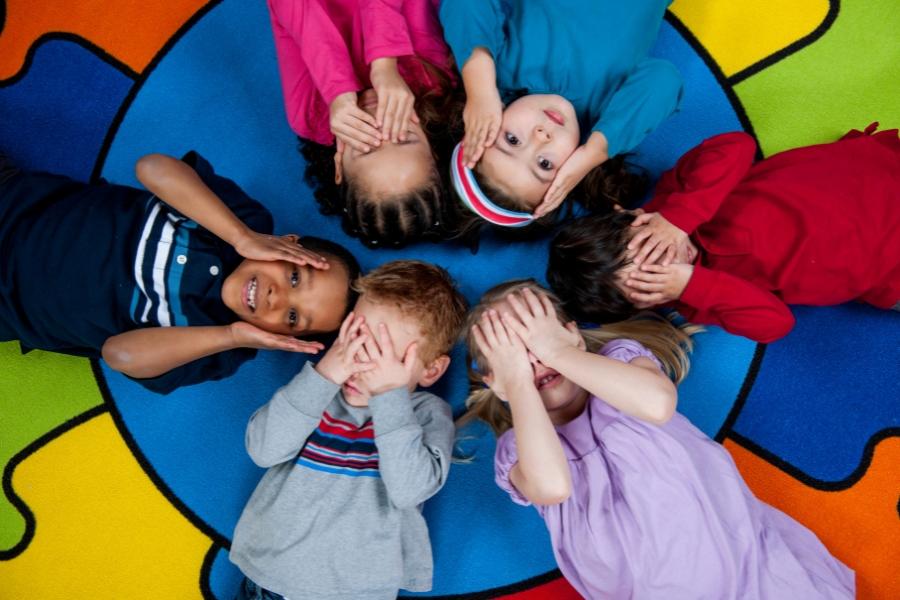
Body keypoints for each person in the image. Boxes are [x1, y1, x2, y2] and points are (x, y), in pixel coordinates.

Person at [460, 279, 855, 599]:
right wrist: (518, 382)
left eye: (537, 342)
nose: (534, 360)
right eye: (515, 355)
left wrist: (557, 354)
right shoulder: (517, 448)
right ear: (497, 383)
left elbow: (657, 403)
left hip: (745, 565)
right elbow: (551, 486)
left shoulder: (619, 361)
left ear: (573, 337)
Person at [0, 152, 359, 393]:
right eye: (294, 278)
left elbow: (119, 355)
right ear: (288, 245)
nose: (276, 297)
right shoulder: (244, 220)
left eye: (293, 317)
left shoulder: (220, 349)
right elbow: (152, 168)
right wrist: (241, 237)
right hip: (14, 202)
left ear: (284, 337)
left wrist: (230, 335)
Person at [230, 260, 468, 600]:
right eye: (356, 339)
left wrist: (389, 395)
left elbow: (409, 489)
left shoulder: (426, 414)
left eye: (385, 357)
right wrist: (325, 374)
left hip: (355, 591)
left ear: (431, 370)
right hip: (270, 577)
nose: (360, 364)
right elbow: (262, 450)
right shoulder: (315, 391)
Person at [548, 124, 900, 343]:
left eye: (650, 248)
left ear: (631, 216)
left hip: (872, 179)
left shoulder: (676, 198)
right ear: (648, 303)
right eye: (652, 280)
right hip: (885, 266)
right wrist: (692, 284)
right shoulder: (697, 300)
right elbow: (776, 324)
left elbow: (736, 145)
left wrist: (677, 218)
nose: (668, 259)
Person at [439, 0, 679, 234]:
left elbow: (464, 4)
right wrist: (594, 152)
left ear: (480, 125)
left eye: (512, 140)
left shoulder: (503, 72)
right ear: (570, 175)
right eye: (544, 164)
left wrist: (479, 90)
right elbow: (664, 79)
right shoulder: (605, 116)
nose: (541, 136)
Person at [267, 0, 463, 248]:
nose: (379, 123)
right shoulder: (432, 81)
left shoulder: (309, 115)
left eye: (367, 146)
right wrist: (384, 64)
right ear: (432, 147)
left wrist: (337, 90)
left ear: (339, 165)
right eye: (402, 136)